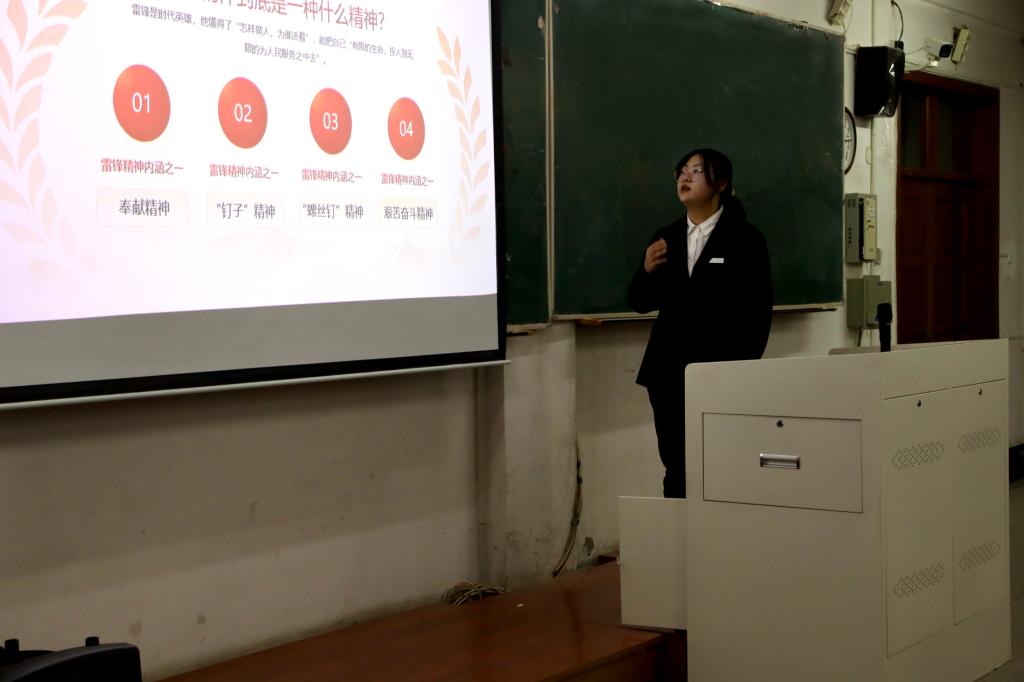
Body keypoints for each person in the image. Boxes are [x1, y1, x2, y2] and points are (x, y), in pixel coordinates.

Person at [628, 148, 773, 498]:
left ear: (720, 183)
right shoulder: (666, 237)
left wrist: (740, 370)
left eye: (696, 171)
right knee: (676, 465)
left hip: (720, 372)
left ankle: (718, 528)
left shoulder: (745, 238)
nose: (685, 177)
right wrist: (646, 270)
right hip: (667, 373)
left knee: (719, 462)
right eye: (681, 171)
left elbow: (758, 313)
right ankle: (679, 529)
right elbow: (639, 302)